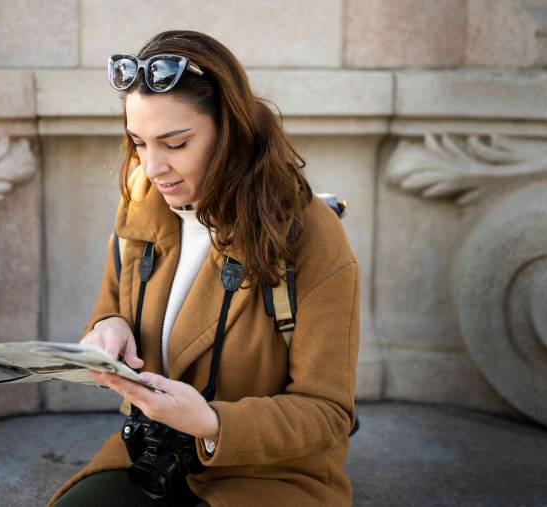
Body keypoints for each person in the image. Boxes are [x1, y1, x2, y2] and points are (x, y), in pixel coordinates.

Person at [48, 30, 359, 507]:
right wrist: (106, 328)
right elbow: (110, 307)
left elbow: (328, 412)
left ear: (230, 131)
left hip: (270, 476)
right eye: (138, 142)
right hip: (148, 458)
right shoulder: (141, 202)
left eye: (175, 144)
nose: (152, 167)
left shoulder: (311, 235)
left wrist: (212, 423)